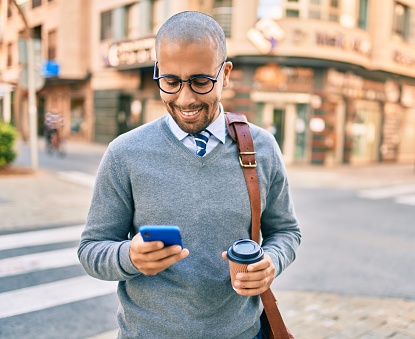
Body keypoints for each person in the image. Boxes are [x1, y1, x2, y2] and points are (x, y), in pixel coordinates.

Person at [78, 11, 301, 339]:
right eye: (170, 82)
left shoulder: (262, 147)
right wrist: (129, 256)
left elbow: (286, 232)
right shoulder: (124, 153)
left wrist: (271, 262)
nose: (185, 98)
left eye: (200, 81)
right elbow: (91, 249)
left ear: (225, 75)